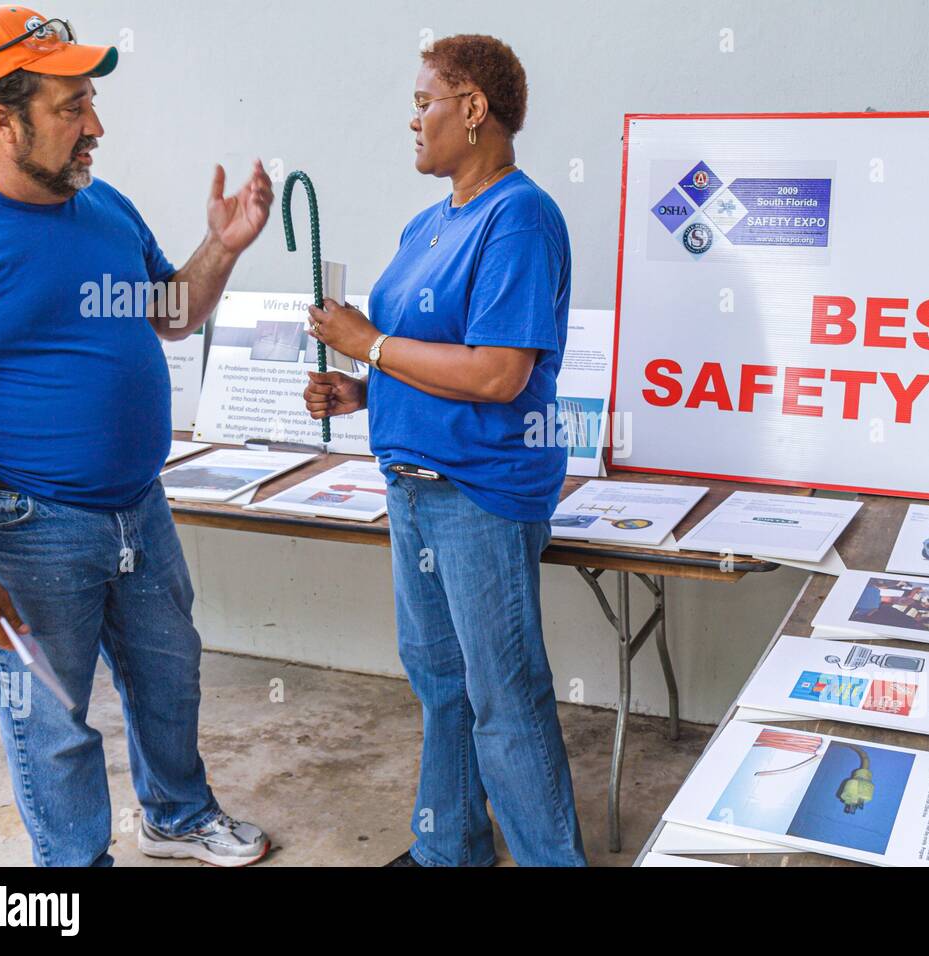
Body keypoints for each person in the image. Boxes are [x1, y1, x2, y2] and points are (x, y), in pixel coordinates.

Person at [0, 7, 273, 866]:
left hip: (137, 507)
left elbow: (172, 311)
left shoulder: (100, 202)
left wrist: (222, 248)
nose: (96, 126)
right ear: (0, 119)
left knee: (170, 679)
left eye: (92, 101)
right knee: (52, 726)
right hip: (21, 523)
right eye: (71, 106)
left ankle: (177, 813)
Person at [302, 34, 586, 867]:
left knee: (505, 696)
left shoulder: (520, 215)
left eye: (425, 103)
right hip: (413, 486)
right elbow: (424, 358)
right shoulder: (428, 222)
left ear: (473, 109)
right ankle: (451, 848)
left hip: (479, 493)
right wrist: (361, 391)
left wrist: (371, 346)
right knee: (440, 684)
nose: (414, 122)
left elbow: (499, 373)